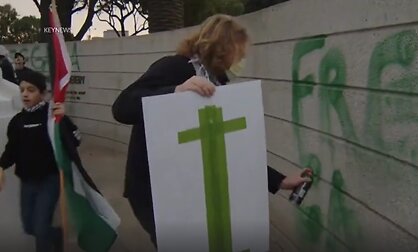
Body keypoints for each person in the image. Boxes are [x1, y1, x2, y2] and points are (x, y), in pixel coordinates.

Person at [112, 14, 312, 247]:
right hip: (155, 192)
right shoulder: (174, 67)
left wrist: (280, 181)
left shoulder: (217, 84)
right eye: (239, 53)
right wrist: (174, 92)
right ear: (223, 48)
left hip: (192, 190)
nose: (241, 59)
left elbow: (231, 146)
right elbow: (122, 107)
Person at [0, 70, 80, 252]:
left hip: (49, 180)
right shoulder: (17, 121)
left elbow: (76, 139)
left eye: (31, 89)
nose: (25, 94)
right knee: (29, 226)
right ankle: (56, 234)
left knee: (40, 227)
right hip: (27, 182)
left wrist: (64, 121)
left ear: (43, 94)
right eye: (22, 90)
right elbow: (12, 149)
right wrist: (1, 165)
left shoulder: (52, 118)